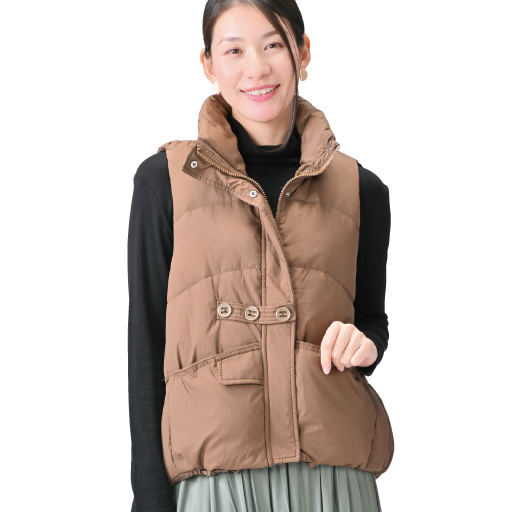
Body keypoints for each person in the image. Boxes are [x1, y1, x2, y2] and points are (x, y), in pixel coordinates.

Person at [128, 1, 392, 511]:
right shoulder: (165, 182)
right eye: (234, 50)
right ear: (208, 64)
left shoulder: (363, 189)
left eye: (273, 44)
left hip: (334, 478)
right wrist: (150, 499)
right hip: (213, 481)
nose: (257, 68)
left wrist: (366, 344)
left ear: (303, 52)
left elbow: (371, 322)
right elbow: (146, 343)